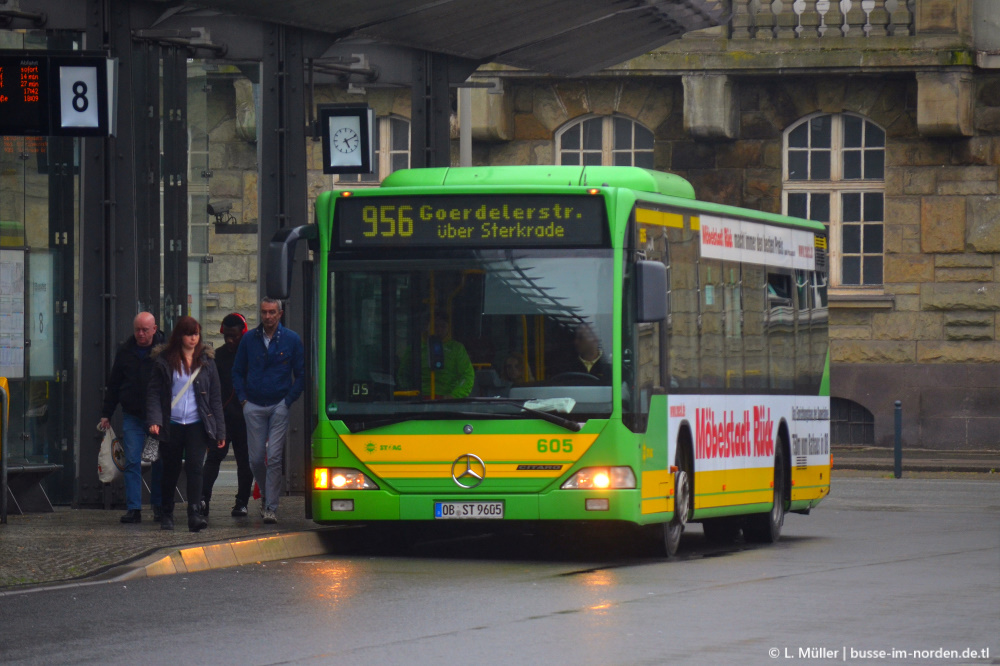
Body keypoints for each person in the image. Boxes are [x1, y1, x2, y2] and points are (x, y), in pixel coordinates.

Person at [146, 316, 225, 532]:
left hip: (196, 423)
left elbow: (215, 398)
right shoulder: (165, 359)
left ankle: (194, 514)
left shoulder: (207, 361)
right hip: (171, 423)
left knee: (195, 468)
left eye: (196, 334)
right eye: (189, 334)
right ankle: (167, 513)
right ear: (180, 335)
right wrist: (154, 419)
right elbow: (154, 392)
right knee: (170, 469)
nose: (193, 338)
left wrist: (219, 430)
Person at [232, 298, 305, 525]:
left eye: (272, 312)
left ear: (280, 314)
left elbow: (301, 374)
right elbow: (237, 371)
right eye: (264, 312)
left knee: (273, 457)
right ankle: (265, 493)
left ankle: (271, 506)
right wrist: (243, 400)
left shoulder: (292, 340)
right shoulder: (248, 339)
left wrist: (288, 400)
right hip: (253, 404)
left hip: (278, 404)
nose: (268, 316)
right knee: (255, 459)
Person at [99, 312, 165, 524]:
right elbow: (115, 383)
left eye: (145, 330)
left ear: (154, 329)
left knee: (158, 461)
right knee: (132, 461)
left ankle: (158, 505)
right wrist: (106, 413)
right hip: (133, 415)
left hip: (157, 416)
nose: (141, 334)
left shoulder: (164, 351)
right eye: (137, 329)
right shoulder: (126, 351)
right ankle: (134, 508)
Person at [201, 312, 254, 518]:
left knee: (244, 461)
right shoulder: (218, 356)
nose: (230, 341)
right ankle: (204, 499)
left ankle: (242, 502)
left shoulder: (249, 355)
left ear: (243, 333)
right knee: (214, 458)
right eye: (227, 336)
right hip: (223, 418)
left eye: (234, 336)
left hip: (243, 418)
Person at [399, 311, 474, 399]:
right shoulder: (415, 348)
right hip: (419, 399)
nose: (439, 330)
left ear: (448, 327)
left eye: (443, 326)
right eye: (435, 326)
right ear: (426, 326)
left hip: (447, 401)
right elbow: (403, 374)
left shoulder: (457, 349)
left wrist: (454, 396)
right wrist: (409, 393)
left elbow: (467, 375)